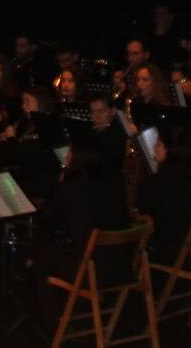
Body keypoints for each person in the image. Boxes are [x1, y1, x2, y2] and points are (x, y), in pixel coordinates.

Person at [33, 135, 130, 327]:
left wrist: (60, 186)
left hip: (90, 270)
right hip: (122, 266)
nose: (66, 157)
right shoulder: (116, 184)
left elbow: (49, 220)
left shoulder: (71, 187)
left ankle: (53, 319)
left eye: (69, 153)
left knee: (42, 253)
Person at [135, 127, 191, 264]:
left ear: (170, 149)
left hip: (166, 249)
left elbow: (142, 208)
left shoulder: (159, 179)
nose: (154, 148)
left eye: (158, 144)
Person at [89, 94, 128, 182]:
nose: (97, 116)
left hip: (112, 182)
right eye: (93, 112)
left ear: (113, 111)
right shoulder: (89, 132)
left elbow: (109, 163)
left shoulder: (119, 132)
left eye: (101, 111)